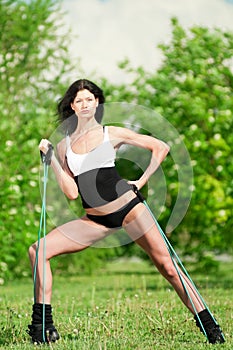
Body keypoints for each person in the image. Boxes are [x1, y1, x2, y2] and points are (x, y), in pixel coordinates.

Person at [28, 79, 225, 344]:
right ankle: (43, 329)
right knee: (38, 250)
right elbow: (72, 193)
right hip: (96, 220)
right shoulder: (64, 146)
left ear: (97, 103)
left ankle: (212, 330)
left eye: (89, 99)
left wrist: (140, 182)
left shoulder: (112, 133)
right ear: (72, 107)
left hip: (130, 208)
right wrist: (51, 160)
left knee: (167, 267)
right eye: (79, 101)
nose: (84, 105)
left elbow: (161, 147)